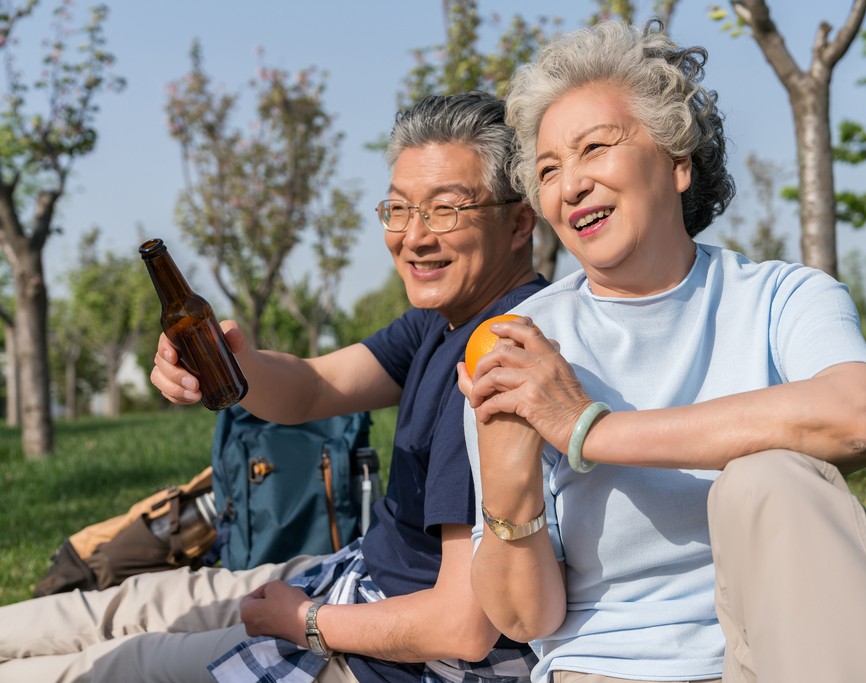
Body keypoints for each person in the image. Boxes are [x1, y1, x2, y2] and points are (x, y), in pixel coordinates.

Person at [0, 92, 547, 683]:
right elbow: (314, 388)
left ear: (520, 222)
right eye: (398, 209)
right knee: (118, 608)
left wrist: (308, 621)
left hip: (394, 651)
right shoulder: (445, 318)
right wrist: (233, 361)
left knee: (103, 668)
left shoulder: (502, 358)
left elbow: (462, 627)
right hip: (355, 573)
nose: (413, 237)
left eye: (444, 210)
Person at [459, 21, 866, 683]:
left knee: (771, 476)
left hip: (790, 653)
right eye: (547, 170)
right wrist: (511, 489)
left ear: (679, 160)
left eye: (595, 147)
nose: (569, 186)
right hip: (607, 668)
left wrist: (588, 429)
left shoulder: (783, 297)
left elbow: (856, 416)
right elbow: (525, 619)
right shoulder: (521, 346)